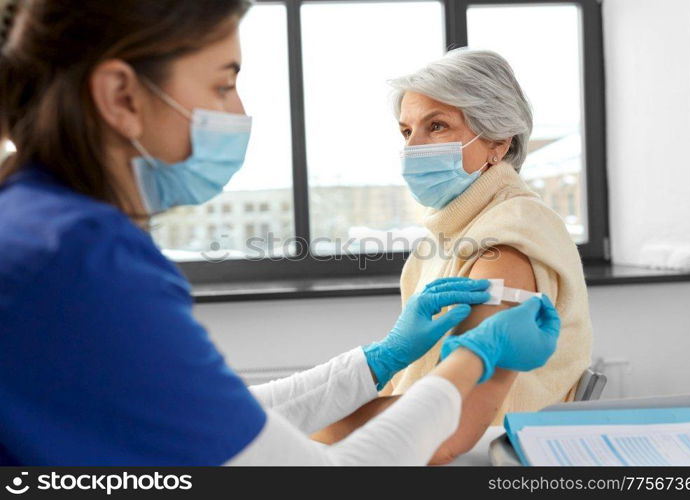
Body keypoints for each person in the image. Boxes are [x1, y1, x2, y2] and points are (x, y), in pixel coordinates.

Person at [0, 0, 560, 465]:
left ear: (499, 142)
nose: (238, 110)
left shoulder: (34, 224)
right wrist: (476, 360)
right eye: (224, 84)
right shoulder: (83, 261)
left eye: (436, 127)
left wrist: (382, 359)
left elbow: (223, 416)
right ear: (122, 96)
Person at [312, 49, 593, 464]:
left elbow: (456, 422)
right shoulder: (458, 229)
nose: (413, 147)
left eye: (437, 126)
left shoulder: (508, 239)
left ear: (498, 140)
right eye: (406, 131)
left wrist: (317, 424)